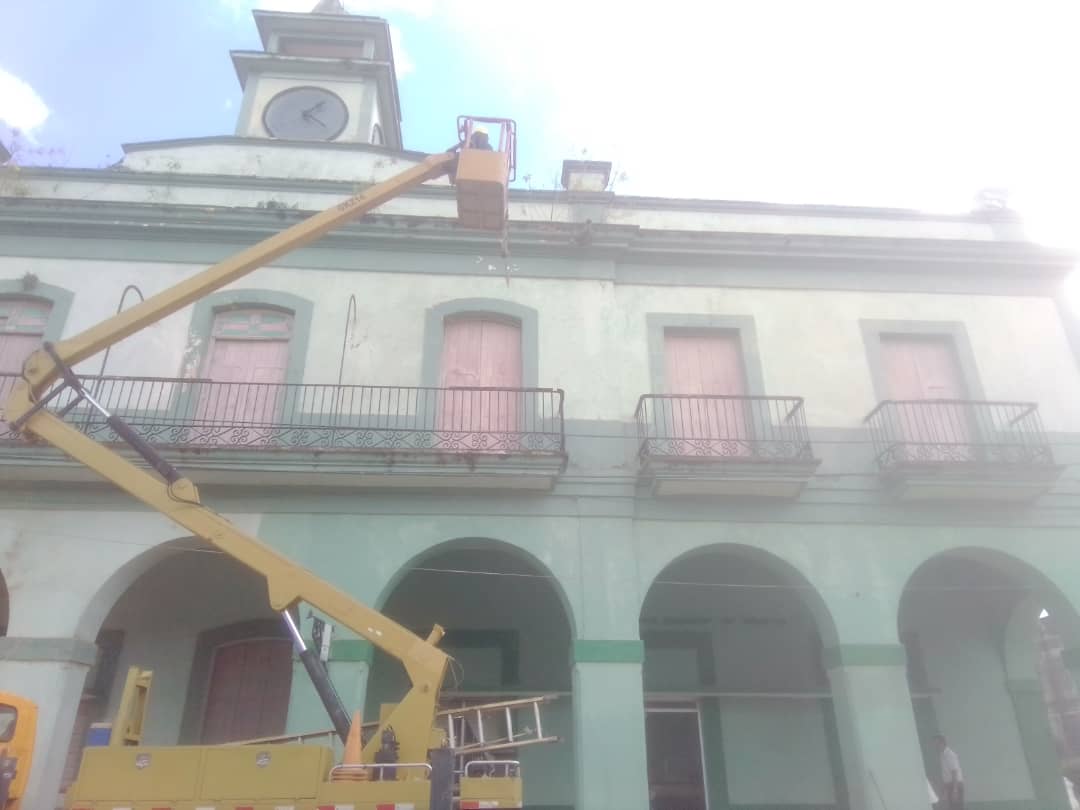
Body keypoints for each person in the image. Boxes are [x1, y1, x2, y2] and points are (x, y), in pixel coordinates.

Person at [935, 734, 964, 809]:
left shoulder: (950, 754)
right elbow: (946, 773)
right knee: (952, 807)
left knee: (957, 807)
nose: (935, 746)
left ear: (942, 743)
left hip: (955, 784)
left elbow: (954, 772)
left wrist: (955, 790)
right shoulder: (942, 755)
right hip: (950, 785)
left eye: (937, 743)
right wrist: (944, 788)